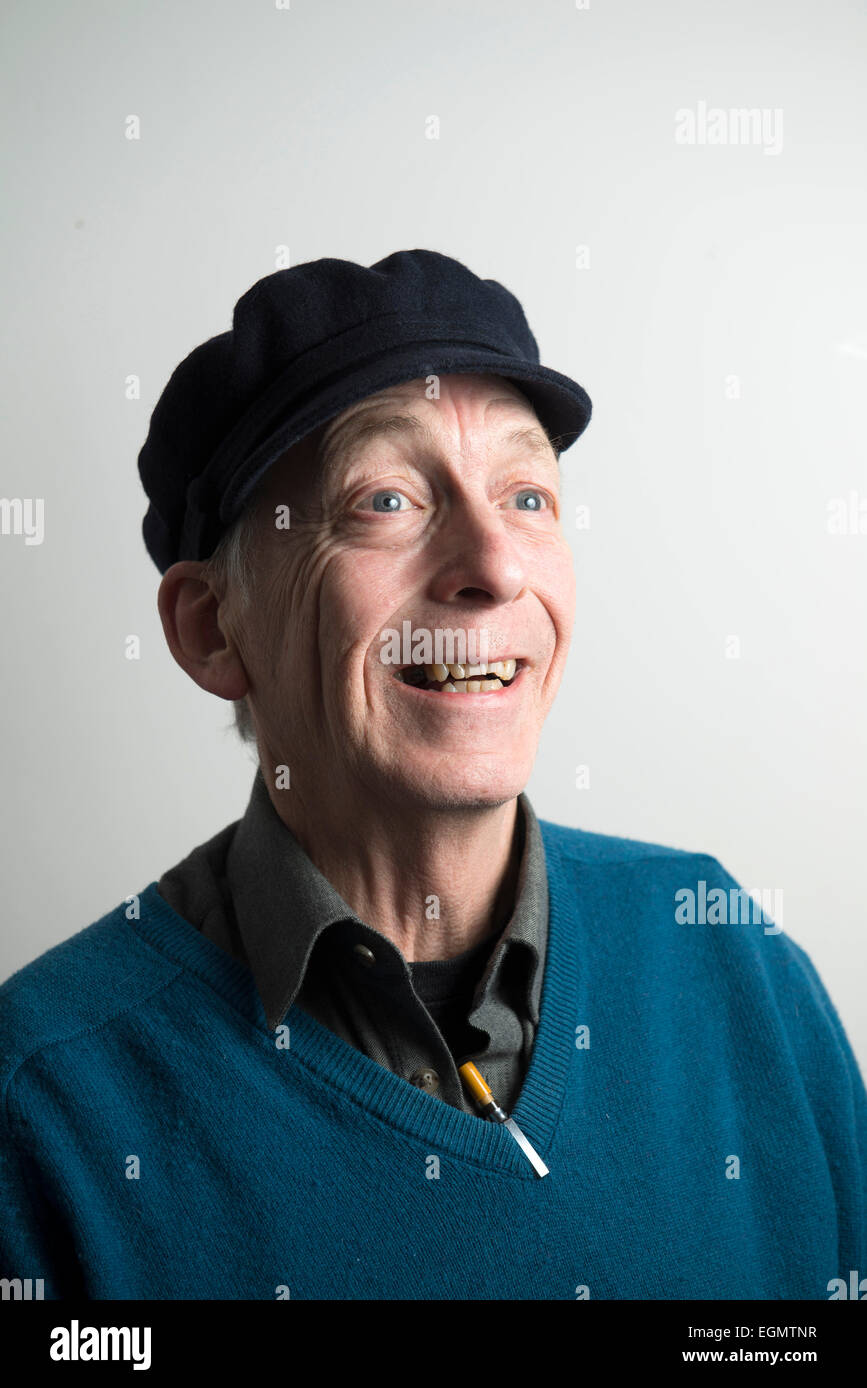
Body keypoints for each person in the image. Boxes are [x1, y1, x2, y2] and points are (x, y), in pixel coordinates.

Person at [1, 250, 864, 1300]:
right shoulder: (44, 1103)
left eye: (529, 494)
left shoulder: (732, 957)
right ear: (213, 627)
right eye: (388, 499)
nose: (494, 564)